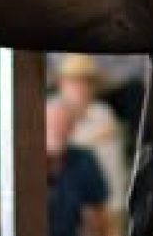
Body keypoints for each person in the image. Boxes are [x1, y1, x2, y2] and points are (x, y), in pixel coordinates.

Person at [45, 98, 112, 236]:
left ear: (72, 129)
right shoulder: (25, 160)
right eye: (52, 124)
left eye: (64, 125)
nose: (58, 130)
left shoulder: (84, 160)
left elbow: (96, 216)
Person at [52, 54, 130, 216]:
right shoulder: (51, 112)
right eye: (75, 81)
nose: (81, 87)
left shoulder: (103, 113)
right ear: (62, 83)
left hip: (108, 205)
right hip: (65, 208)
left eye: (86, 81)